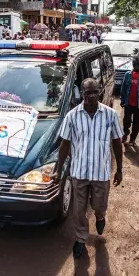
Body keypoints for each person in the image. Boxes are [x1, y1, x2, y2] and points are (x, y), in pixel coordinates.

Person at [54, 78, 123, 258]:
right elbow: (64, 145)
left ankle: (100, 217)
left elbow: (117, 142)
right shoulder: (72, 116)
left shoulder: (110, 115)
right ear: (82, 94)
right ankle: (80, 238)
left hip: (101, 172)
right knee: (79, 210)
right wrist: (58, 168)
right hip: (79, 172)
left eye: (94, 92)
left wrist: (120, 169)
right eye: (87, 93)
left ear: (99, 92)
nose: (91, 96)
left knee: (99, 205)